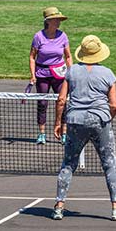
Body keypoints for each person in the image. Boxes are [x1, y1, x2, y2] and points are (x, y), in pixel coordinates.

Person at [51, 35, 116, 221]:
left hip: (74, 122)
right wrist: (108, 119)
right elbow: (114, 104)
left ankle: (59, 207)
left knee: (68, 164)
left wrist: (57, 123)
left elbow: (61, 100)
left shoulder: (71, 72)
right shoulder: (107, 74)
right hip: (99, 121)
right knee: (109, 164)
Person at [29, 7, 73, 145]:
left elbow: (68, 56)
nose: (59, 22)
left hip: (59, 74)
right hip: (42, 74)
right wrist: (33, 75)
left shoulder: (63, 36)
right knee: (42, 103)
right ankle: (42, 133)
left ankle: (64, 133)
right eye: (56, 20)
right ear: (49, 21)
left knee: (62, 102)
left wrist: (71, 72)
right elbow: (32, 57)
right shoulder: (38, 37)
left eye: (59, 19)